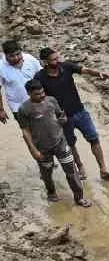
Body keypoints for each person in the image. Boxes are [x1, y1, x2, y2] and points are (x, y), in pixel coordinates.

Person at [36, 47, 109, 182]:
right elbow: (40, 98)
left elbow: (84, 70)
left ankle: (103, 169)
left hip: (80, 111)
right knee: (71, 144)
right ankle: (80, 166)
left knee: (94, 138)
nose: (58, 61)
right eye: (54, 59)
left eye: (58, 57)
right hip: (62, 118)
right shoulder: (40, 77)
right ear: (45, 62)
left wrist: (99, 73)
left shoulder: (66, 67)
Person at [17, 79, 91, 207]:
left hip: (60, 142)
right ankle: (51, 192)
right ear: (29, 93)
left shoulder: (51, 100)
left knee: (71, 171)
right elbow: (26, 132)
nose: (42, 96)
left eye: (42, 92)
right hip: (42, 148)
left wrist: (63, 119)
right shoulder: (24, 109)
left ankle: (79, 197)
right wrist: (33, 150)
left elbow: (60, 115)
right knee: (47, 173)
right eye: (37, 94)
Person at [0, 40, 41, 124]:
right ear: (5, 55)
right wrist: (1, 110)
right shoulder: (1, 67)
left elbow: (42, 75)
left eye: (18, 54)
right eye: (11, 56)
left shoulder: (30, 59)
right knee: (27, 132)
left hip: (38, 102)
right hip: (18, 107)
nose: (16, 58)